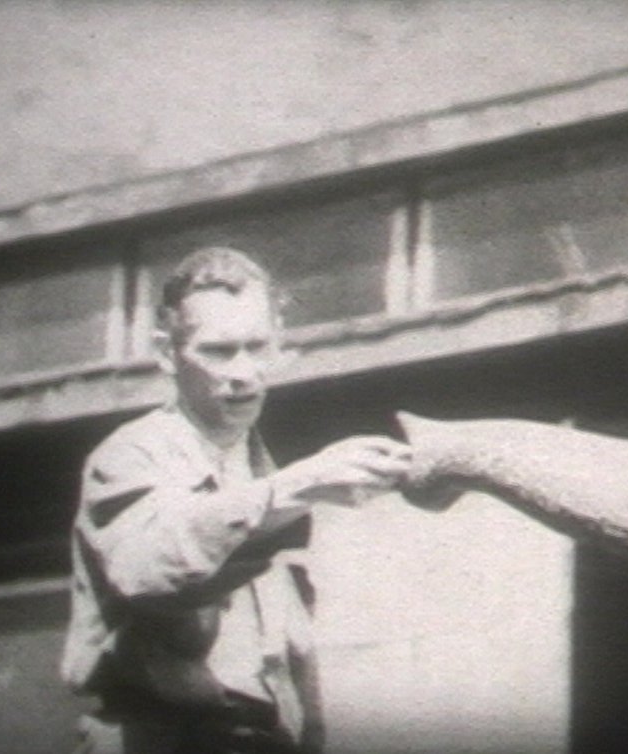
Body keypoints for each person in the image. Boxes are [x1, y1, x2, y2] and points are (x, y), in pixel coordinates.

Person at [61, 246, 413, 753]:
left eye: (257, 347)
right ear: (166, 353)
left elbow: (289, 665)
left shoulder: (261, 472)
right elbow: (150, 566)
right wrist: (295, 487)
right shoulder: (130, 455)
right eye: (219, 351)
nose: (243, 371)